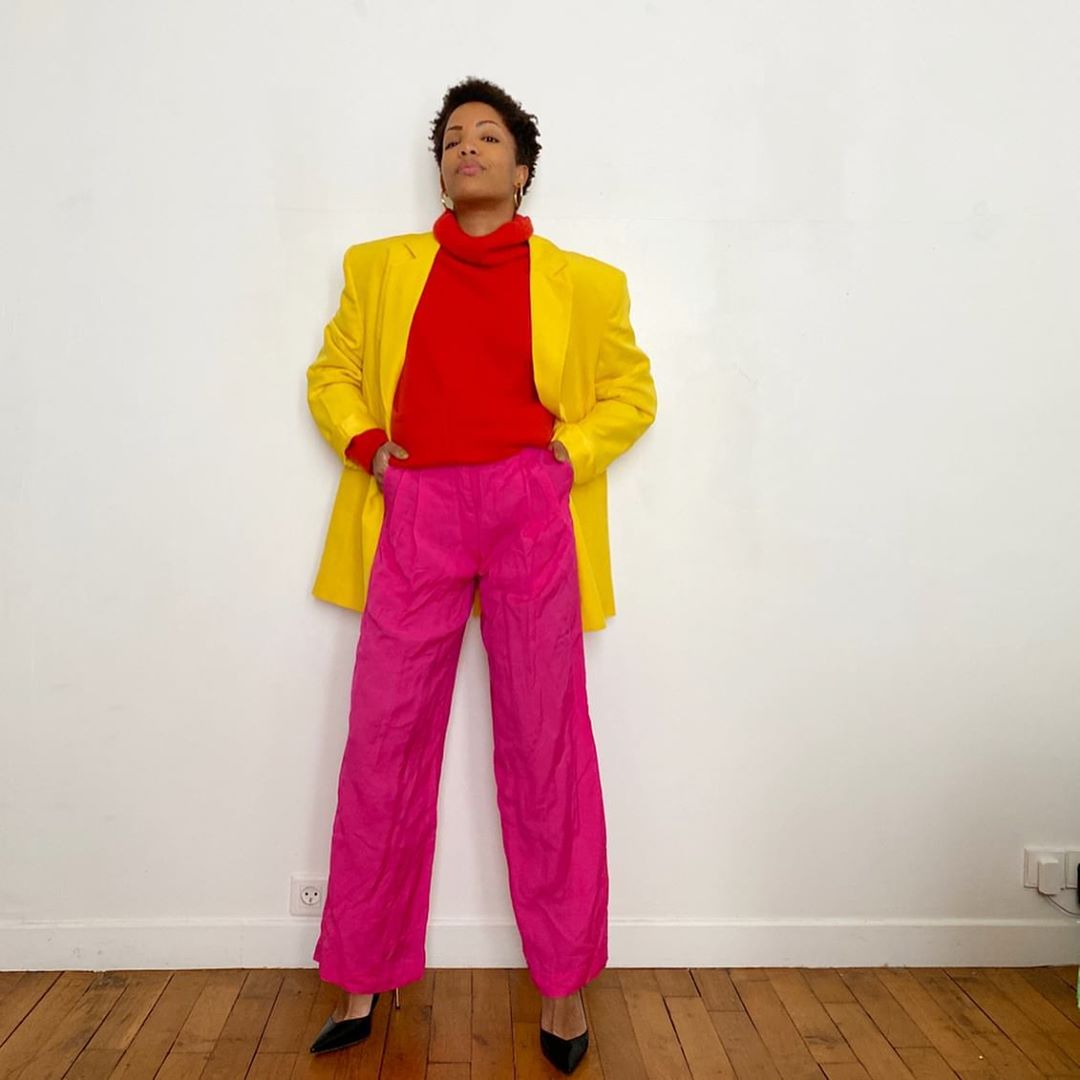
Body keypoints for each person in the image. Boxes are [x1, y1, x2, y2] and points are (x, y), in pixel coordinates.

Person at [305, 76, 657, 1074]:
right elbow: (331, 374)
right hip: (414, 507)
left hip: (529, 509)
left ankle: (564, 987)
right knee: (384, 739)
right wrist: (368, 447)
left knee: (546, 744)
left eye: (488, 135)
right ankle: (362, 973)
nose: (467, 147)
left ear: (522, 167)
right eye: (454, 137)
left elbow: (632, 394)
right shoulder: (377, 268)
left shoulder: (586, 283)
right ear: (441, 168)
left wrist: (564, 460)